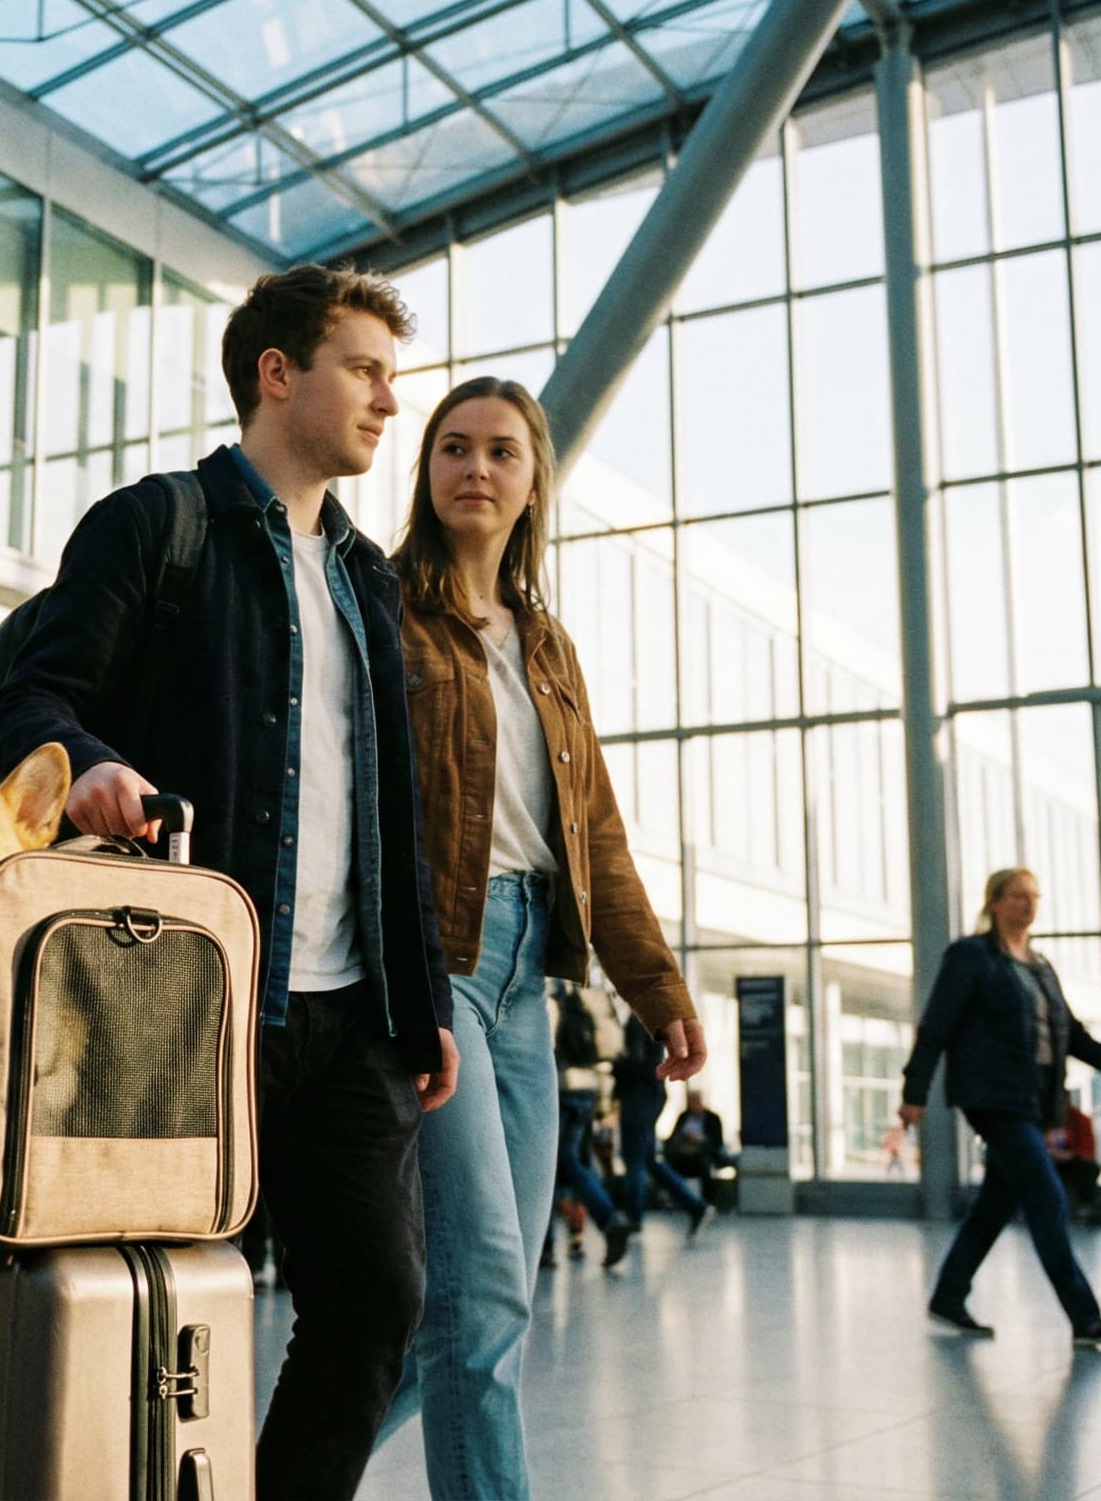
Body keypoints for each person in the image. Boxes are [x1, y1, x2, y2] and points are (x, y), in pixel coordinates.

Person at [0, 264, 457, 1496]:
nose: (387, 403)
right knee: (174, 1317)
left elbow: (388, 811)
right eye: (364, 369)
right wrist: (85, 763)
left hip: (351, 1016)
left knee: (377, 1305)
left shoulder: (366, 580)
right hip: (182, 1003)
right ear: (276, 373)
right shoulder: (157, 525)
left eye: (391, 378)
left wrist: (422, 998)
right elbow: (29, 698)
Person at [367, 376, 702, 1500]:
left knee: (465, 1311)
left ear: (531, 480)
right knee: (485, 1294)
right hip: (435, 963)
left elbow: (595, 839)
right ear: (425, 472)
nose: (475, 468)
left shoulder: (547, 646)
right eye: (452, 448)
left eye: (501, 452)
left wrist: (658, 991)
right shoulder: (381, 605)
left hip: (524, 984)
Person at [900, 868, 1101, 1348]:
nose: (1028, 905)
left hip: (1034, 1098)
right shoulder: (972, 956)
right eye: (1018, 896)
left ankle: (949, 1295)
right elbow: (935, 1026)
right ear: (994, 902)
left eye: (1034, 896)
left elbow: (1074, 1036)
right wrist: (914, 1093)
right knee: (1048, 1197)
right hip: (991, 1097)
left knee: (995, 1205)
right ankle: (1085, 1318)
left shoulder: (1039, 966)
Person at [552, 979, 634, 1268]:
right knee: (570, 1159)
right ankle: (550, 1247)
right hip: (587, 1086)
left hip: (559, 1087)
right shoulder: (582, 994)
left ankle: (609, 1221)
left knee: (556, 1161)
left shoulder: (548, 990)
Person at [615, 1011, 715, 1237]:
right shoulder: (649, 1019)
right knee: (648, 1159)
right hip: (650, 1095)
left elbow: (638, 1063)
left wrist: (615, 1064)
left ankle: (633, 1217)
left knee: (635, 1158)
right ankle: (695, 1206)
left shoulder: (639, 1021)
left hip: (639, 1096)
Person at [1048, 1098, 1100, 1218]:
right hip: (1050, 1162)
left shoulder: (1078, 1119)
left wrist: (1067, 1155)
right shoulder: (1040, 1119)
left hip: (1070, 1162)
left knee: (1089, 1169)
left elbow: (1086, 1151)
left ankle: (1086, 1207)